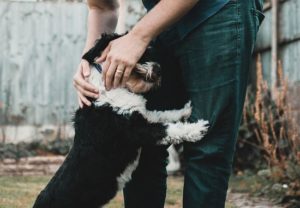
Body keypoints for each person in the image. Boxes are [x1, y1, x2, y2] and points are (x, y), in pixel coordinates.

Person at [73, 0, 264, 207]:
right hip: (162, 18)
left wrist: (138, 36)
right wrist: (89, 62)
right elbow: (102, 6)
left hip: (218, 10)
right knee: (141, 143)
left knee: (207, 146)